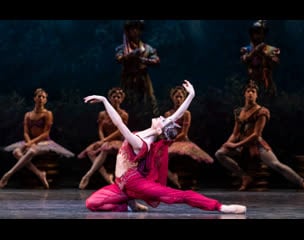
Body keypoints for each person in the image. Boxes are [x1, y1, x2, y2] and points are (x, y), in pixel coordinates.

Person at [83, 80, 246, 214]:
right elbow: (177, 115)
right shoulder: (148, 132)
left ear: (160, 129)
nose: (162, 117)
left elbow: (118, 122)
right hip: (121, 185)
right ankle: (127, 205)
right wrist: (192, 95)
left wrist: (104, 100)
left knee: (178, 195)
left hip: (136, 183)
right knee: (91, 204)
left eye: (163, 120)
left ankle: (220, 207)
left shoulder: (140, 143)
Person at [214, 80, 304, 192]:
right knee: (219, 153)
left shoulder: (262, 111)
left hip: (255, 144)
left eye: (253, 91)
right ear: (244, 94)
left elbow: (256, 135)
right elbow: (235, 133)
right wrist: (228, 143)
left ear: (256, 95)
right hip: (240, 144)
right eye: (248, 91)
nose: (250, 93)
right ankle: (244, 176)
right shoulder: (239, 111)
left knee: (276, 164)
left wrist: (235, 145)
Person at [0, 88, 75, 189]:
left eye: (43, 97)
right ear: (34, 98)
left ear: (46, 100)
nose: (41, 98)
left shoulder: (47, 114)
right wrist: (28, 142)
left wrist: (31, 143)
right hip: (30, 141)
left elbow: (45, 133)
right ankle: (40, 173)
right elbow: (26, 132)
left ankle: (8, 175)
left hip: (44, 142)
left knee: (31, 151)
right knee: (16, 152)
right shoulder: (28, 115)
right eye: (39, 96)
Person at [77, 87, 128, 190]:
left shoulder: (124, 114)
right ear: (110, 98)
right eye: (114, 97)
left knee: (105, 148)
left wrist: (104, 141)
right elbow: (100, 129)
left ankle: (88, 175)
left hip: (118, 141)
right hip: (105, 140)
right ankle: (108, 179)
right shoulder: (102, 114)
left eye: (118, 97)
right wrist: (102, 140)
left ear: (122, 99)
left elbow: (120, 131)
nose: (116, 99)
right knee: (91, 151)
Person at [164, 85, 214, 189]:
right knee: (159, 157)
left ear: (184, 99)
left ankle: (188, 181)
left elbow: (184, 133)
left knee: (188, 156)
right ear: (172, 98)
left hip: (182, 141)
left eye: (180, 97)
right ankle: (171, 178)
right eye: (176, 96)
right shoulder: (168, 114)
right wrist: (166, 139)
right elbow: (165, 131)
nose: (178, 99)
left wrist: (172, 141)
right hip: (171, 141)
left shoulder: (186, 113)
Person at [115, 20, 160, 129]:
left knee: (150, 103)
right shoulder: (122, 48)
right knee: (124, 104)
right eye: (132, 29)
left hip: (143, 79)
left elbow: (156, 60)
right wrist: (129, 56)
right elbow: (119, 58)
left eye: (137, 29)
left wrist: (142, 59)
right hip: (127, 79)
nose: (134, 31)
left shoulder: (147, 48)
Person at [240, 20, 280, 97]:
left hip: (267, 84)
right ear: (252, 34)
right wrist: (255, 51)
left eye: (262, 33)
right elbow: (244, 60)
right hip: (252, 85)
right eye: (257, 32)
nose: (259, 35)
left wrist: (266, 56)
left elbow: (276, 63)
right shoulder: (246, 49)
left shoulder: (271, 49)